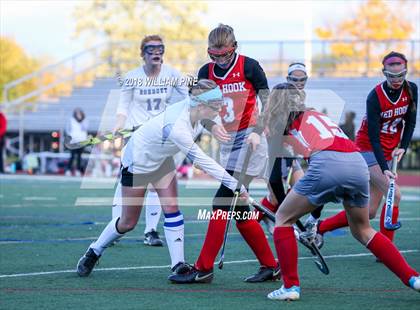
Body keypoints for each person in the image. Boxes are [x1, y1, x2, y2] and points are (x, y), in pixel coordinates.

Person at [76, 79, 249, 278]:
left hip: (162, 161)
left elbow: (209, 119)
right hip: (138, 163)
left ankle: (178, 264)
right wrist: (235, 185)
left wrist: (214, 126)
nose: (219, 111)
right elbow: (203, 160)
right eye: (216, 107)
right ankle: (94, 250)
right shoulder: (177, 126)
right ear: (201, 106)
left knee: (172, 210)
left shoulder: (198, 111)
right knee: (127, 223)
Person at [264, 83, 420, 301]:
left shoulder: (279, 123)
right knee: (363, 230)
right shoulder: (315, 114)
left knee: (282, 219)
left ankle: (290, 287)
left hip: (327, 163)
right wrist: (310, 221)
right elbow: (323, 187)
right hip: (356, 163)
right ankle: (414, 278)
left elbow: (275, 178)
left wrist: (289, 214)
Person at [169, 24, 279, 284]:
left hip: (251, 141)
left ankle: (203, 267)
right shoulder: (205, 72)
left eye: (224, 55)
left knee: (221, 202)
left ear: (234, 48)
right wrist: (211, 125)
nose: (219, 60)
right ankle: (270, 265)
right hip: (228, 145)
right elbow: (196, 107)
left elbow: (270, 100)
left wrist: (258, 130)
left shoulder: (250, 66)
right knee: (240, 212)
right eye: (214, 55)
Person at [313, 51, 418, 248]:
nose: (396, 80)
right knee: (395, 194)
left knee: (368, 212)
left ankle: (321, 227)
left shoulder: (411, 89)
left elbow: (410, 122)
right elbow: (373, 137)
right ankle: (387, 248)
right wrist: (384, 166)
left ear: (406, 72)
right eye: (391, 75)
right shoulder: (375, 96)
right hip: (367, 149)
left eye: (401, 75)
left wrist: (403, 147)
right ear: (384, 73)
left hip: (388, 151)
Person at [113, 35, 189, 247]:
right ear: (142, 54)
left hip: (159, 138)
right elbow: (122, 108)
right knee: (128, 183)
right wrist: (118, 126)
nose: (156, 52)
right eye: (150, 49)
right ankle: (115, 225)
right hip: (136, 137)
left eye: (160, 48)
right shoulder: (131, 77)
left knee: (157, 185)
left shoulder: (173, 74)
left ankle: (150, 231)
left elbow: (189, 99)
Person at [258, 63, 308, 234]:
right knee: (275, 196)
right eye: (294, 79)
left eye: (302, 79)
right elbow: (268, 124)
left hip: (288, 152)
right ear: (288, 79)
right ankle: (252, 223)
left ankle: (295, 221)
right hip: (272, 153)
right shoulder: (281, 97)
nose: (299, 82)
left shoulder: (300, 98)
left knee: (302, 188)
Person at [65, 108, 88, 176]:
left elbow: (85, 128)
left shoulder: (85, 121)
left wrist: (81, 121)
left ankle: (78, 170)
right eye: (77, 114)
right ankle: (68, 170)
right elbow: (68, 130)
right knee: (72, 156)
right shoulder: (71, 120)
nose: (78, 115)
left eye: (79, 114)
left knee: (79, 157)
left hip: (81, 141)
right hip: (73, 141)